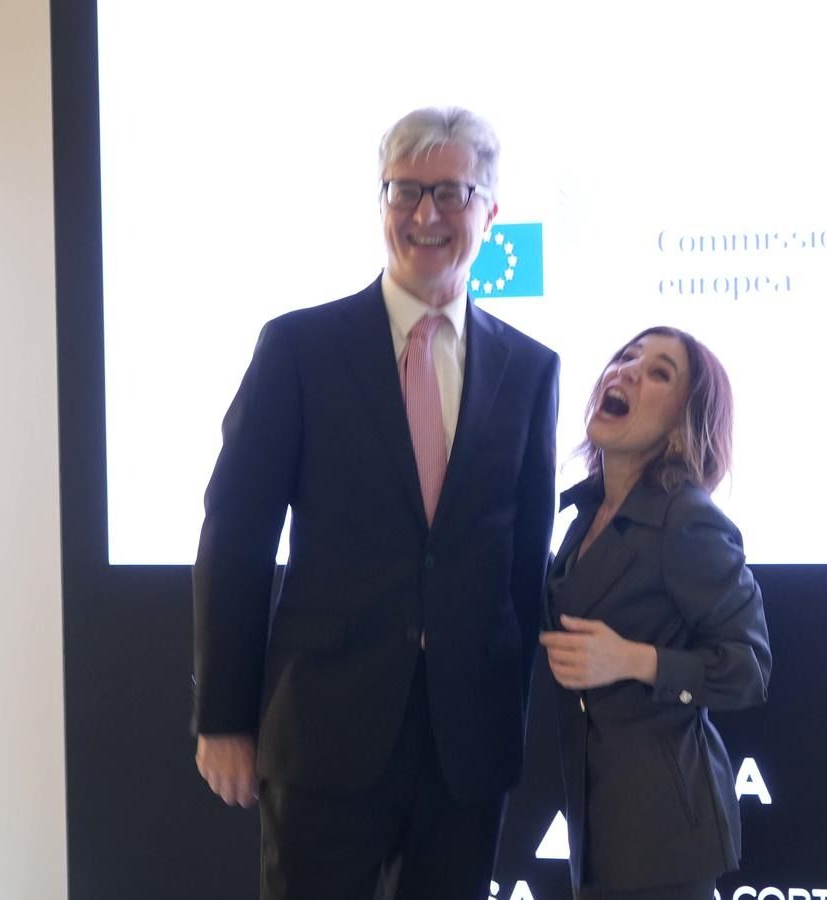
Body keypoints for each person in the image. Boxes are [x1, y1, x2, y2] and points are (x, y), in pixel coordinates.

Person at [191, 106, 559, 900]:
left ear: (490, 211)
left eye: (451, 192)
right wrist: (223, 717)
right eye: (404, 191)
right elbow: (236, 536)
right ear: (382, 201)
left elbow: (523, 566)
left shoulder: (530, 370)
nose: (425, 214)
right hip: (324, 732)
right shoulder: (299, 349)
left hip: (466, 749)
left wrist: (509, 719)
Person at [540, 326, 770, 900]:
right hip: (601, 823)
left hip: (663, 834)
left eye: (659, 372)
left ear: (683, 422)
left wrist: (633, 660)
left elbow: (748, 669)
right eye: (625, 357)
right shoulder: (587, 512)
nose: (627, 370)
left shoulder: (688, 519)